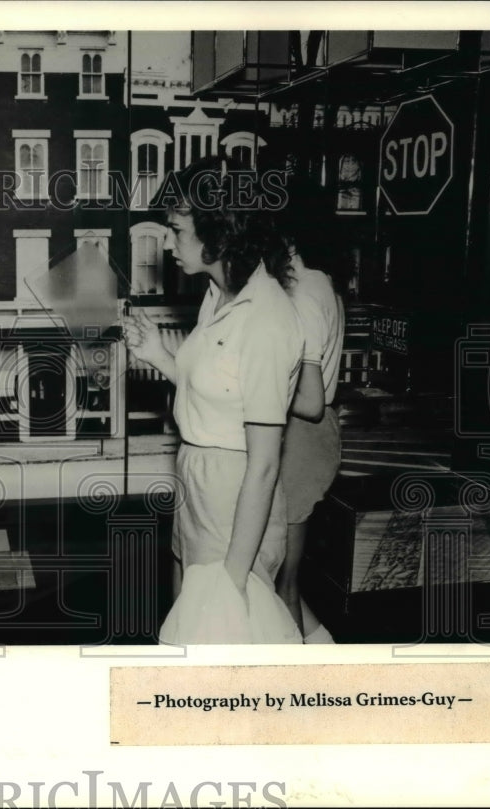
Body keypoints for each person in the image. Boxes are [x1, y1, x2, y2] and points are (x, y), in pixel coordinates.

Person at [123, 157, 303, 644]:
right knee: (187, 628)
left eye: (177, 229)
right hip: (196, 478)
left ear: (219, 233)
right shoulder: (218, 296)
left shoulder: (265, 319)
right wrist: (159, 354)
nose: (167, 241)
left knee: (223, 637)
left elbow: (264, 464)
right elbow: (217, 392)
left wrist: (235, 576)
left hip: (234, 494)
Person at [274, 181, 346, 643]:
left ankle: (300, 689)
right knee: (287, 580)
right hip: (313, 438)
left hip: (301, 436)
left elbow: (308, 397)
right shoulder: (324, 285)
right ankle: (327, 652)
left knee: (282, 582)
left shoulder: (302, 293)